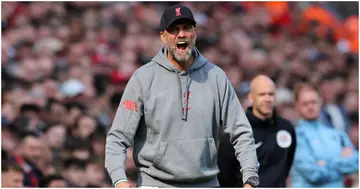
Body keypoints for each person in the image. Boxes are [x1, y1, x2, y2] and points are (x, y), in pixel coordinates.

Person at [105, 4, 259, 188]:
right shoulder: (143, 78)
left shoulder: (216, 77)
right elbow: (117, 138)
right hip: (155, 184)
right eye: (174, 30)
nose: (181, 34)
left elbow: (241, 132)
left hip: (206, 184)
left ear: (195, 32)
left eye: (186, 28)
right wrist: (119, 180)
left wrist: (250, 178)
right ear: (163, 36)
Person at [218, 75, 296, 187]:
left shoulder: (286, 128)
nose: (267, 99)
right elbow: (225, 175)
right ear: (251, 98)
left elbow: (286, 166)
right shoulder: (236, 131)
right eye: (262, 94)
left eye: (271, 94)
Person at [290, 83, 358, 187]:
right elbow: (314, 174)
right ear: (296, 106)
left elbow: (356, 163)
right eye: (305, 103)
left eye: (313, 102)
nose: (310, 107)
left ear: (320, 102)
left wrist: (323, 163)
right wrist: (342, 160)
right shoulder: (294, 137)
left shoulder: (337, 134)